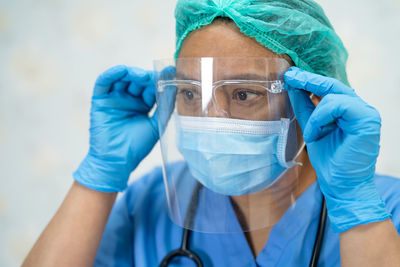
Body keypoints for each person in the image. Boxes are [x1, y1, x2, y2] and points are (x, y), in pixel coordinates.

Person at [23, 0, 400, 266]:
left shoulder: (385, 209)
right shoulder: (150, 202)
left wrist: (356, 208)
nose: (211, 117)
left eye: (243, 94)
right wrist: (98, 175)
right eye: (189, 92)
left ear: (313, 97)